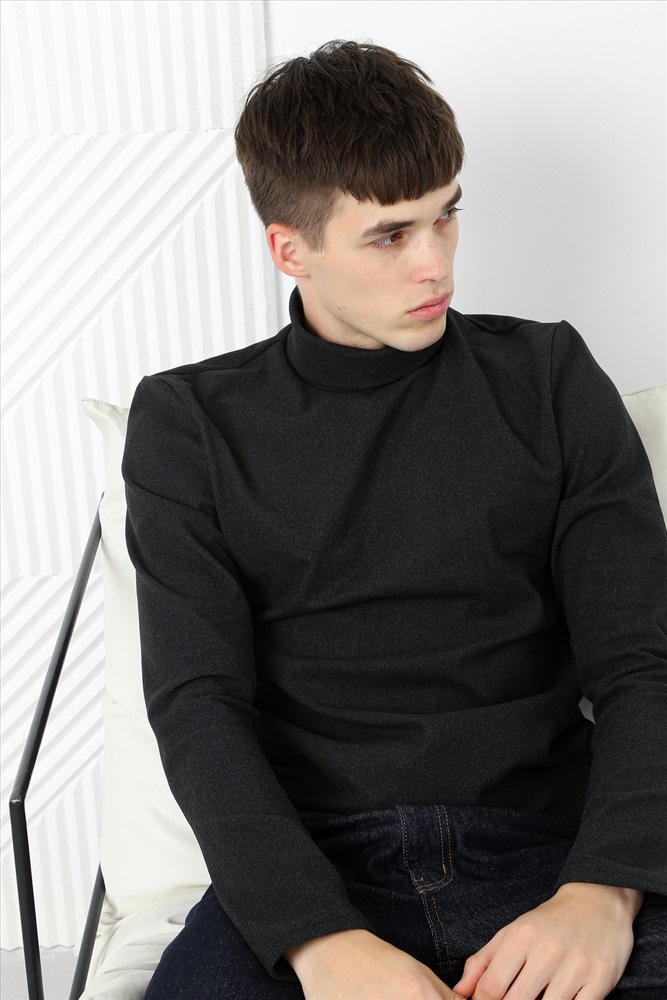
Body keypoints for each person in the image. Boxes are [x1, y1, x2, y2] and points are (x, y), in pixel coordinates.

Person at [122, 40, 667, 1000]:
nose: (435, 264)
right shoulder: (188, 423)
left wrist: (604, 892)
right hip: (314, 872)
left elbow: (642, 659)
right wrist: (318, 939)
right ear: (289, 248)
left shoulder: (548, 378)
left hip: (553, 857)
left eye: (446, 214)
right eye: (390, 235)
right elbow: (198, 706)